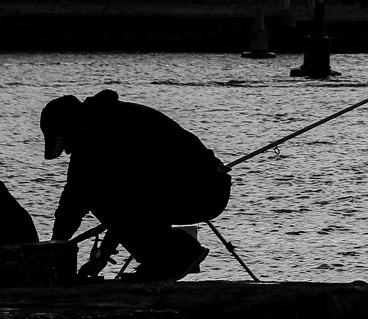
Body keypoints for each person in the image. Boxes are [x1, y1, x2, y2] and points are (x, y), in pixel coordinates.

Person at [41, 89, 232, 282]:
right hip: (191, 186)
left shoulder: (113, 132)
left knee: (98, 194)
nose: (67, 151)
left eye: (67, 142)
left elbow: (109, 201)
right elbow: (83, 201)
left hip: (203, 189)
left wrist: (59, 246)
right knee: (98, 191)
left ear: (76, 126)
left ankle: (179, 252)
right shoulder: (100, 126)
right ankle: (164, 258)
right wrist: (100, 255)